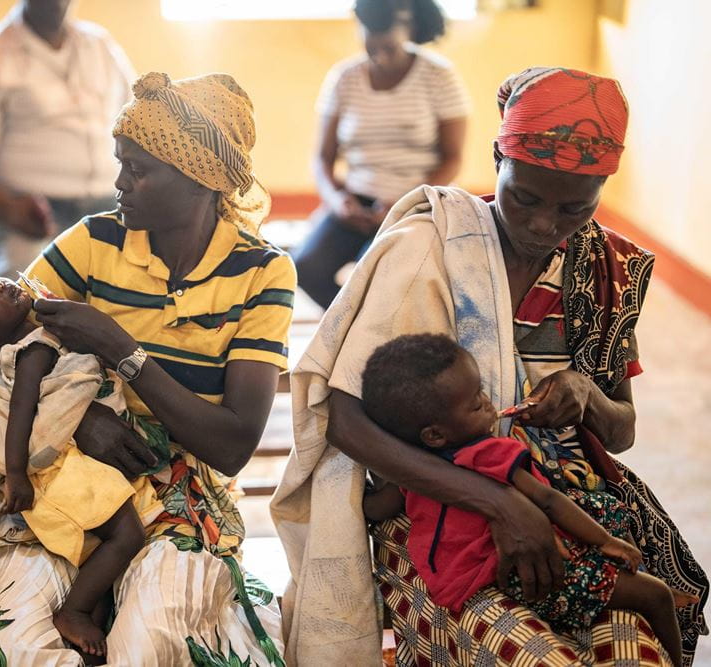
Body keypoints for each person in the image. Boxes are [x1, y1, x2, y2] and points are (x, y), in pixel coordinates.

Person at [272, 67, 708, 666]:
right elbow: (344, 420)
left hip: (573, 514)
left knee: (634, 655)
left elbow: (622, 432)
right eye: (524, 197)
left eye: (573, 208)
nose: (542, 225)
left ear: (604, 188)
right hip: (434, 510)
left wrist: (587, 394)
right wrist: (501, 504)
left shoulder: (609, 269)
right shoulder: (432, 248)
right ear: (497, 156)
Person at [0, 71, 293, 666]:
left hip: (183, 489)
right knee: (14, 638)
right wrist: (75, 422)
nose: (119, 183)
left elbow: (232, 444)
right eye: (120, 162)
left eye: (138, 169)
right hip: (63, 474)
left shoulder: (261, 274)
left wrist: (121, 349)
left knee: (148, 637)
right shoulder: (92, 242)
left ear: (199, 181)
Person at [360, 333, 695, 666]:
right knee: (655, 594)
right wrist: (607, 541)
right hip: (532, 575)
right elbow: (549, 501)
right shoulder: (492, 454)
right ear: (434, 434)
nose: (489, 402)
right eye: (477, 403)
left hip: (460, 585)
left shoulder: (415, 472)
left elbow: (376, 507)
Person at [0, 267, 165, 656]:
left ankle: (85, 628)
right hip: (59, 473)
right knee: (127, 535)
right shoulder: (34, 350)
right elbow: (21, 412)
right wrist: (16, 473)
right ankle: (73, 611)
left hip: (71, 467)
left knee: (97, 555)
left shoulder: (37, 338)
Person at [294, 0, 469, 308]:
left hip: (417, 204)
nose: (380, 56)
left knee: (375, 274)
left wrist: (403, 203)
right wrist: (338, 201)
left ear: (409, 30)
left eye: (388, 46)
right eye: (371, 44)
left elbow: (452, 158)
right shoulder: (345, 78)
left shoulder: (438, 76)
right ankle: (351, 327)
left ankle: (367, 330)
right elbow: (322, 158)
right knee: (305, 267)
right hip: (356, 204)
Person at [0, 0, 135, 279]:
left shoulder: (101, 47)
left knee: (146, 275)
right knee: (27, 287)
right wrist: (8, 208)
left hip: (108, 204)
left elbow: (134, 119)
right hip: (24, 215)